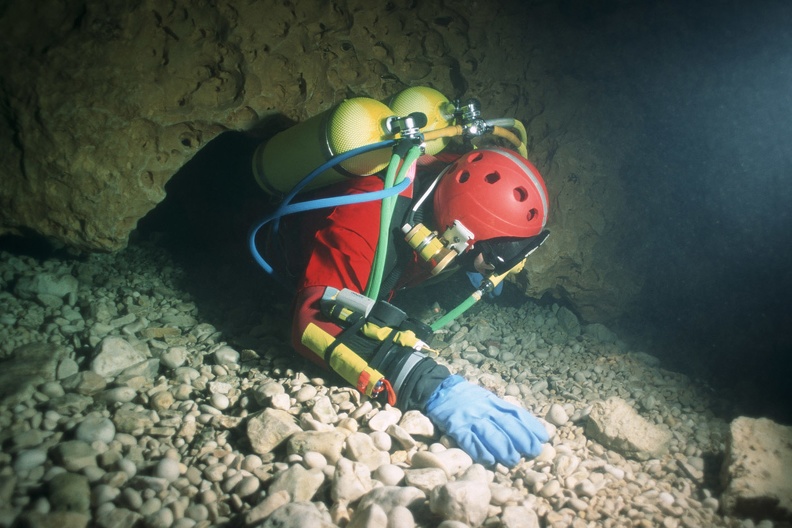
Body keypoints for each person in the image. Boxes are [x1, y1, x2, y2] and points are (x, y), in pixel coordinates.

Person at [260, 145, 551, 468]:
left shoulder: (446, 185)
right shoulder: (371, 210)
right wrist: (429, 385)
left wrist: (472, 265)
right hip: (259, 235)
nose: (502, 270)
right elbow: (312, 321)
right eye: (499, 257)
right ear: (460, 233)